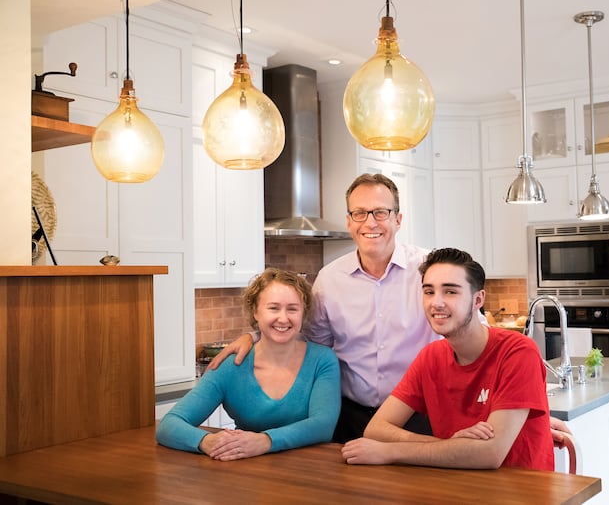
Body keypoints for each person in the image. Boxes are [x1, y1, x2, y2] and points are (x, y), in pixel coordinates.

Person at [210, 173, 571, 447]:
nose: (371, 222)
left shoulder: (430, 271)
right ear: (349, 220)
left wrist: (524, 414)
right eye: (360, 213)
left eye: (381, 212)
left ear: (398, 219)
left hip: (425, 416)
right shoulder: (329, 280)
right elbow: (305, 344)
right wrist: (254, 335)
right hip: (348, 416)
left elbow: (478, 342)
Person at [341, 248, 554, 470]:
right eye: (429, 292)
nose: (437, 303)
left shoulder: (518, 351)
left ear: (477, 299)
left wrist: (390, 451)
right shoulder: (431, 357)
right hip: (456, 486)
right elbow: (376, 429)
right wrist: (449, 446)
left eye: (450, 292)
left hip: (522, 493)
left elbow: (490, 453)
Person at [156, 268, 340, 460]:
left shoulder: (322, 360)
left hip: (310, 472)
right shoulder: (231, 366)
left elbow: (323, 426)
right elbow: (169, 424)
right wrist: (206, 441)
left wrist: (265, 440)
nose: (283, 318)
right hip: (246, 472)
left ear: (303, 314)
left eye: (292, 309)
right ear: (255, 312)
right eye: (273, 308)